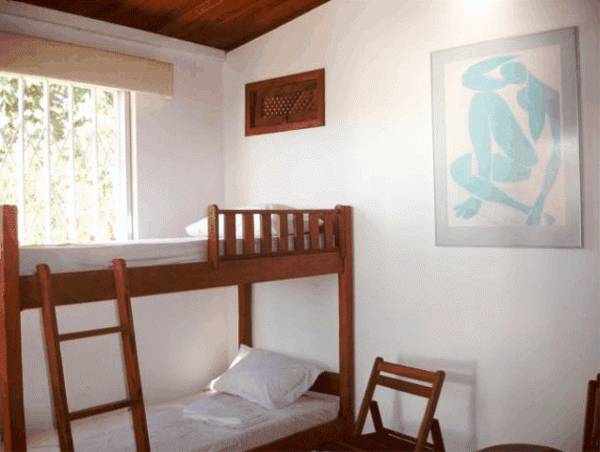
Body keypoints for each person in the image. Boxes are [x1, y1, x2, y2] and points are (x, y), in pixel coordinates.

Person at [450, 55, 561, 226]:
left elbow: (557, 152)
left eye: (510, 71)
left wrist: (541, 200)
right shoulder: (505, 84)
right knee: (458, 170)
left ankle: (483, 192)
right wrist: (505, 59)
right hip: (505, 165)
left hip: (526, 164)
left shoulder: (548, 95)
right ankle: (523, 208)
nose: (503, 74)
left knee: (482, 100)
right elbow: (468, 79)